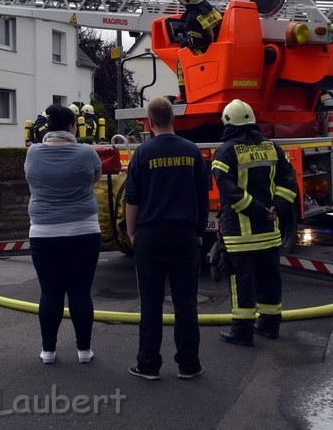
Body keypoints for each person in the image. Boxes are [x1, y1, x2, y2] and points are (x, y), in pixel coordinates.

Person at [124, 97, 210, 380]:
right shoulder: (192, 152)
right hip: (185, 236)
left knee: (151, 303)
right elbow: (201, 197)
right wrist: (198, 233)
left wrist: (131, 232)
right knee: (186, 303)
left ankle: (148, 365)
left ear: (150, 122)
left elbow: (132, 199)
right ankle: (189, 365)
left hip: (150, 235)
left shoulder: (142, 153)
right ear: (174, 119)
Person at [212, 99, 298, 346]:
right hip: (270, 231)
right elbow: (289, 182)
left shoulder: (226, 151)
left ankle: (242, 331)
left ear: (228, 122)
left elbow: (229, 191)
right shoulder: (273, 148)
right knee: (269, 277)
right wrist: (276, 209)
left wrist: (259, 211)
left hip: (240, 233)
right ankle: (270, 326)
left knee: (242, 281)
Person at [25, 104, 103, 365]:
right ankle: (84, 351)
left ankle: (48, 351)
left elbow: (31, 180)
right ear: (72, 127)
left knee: (50, 293)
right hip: (83, 230)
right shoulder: (85, 152)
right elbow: (95, 176)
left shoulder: (33, 154)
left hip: (44, 232)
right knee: (81, 292)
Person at [175, 0, 223, 103]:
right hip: (217, 46)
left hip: (206, 50)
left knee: (181, 59)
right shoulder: (213, 10)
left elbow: (199, 41)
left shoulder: (192, 18)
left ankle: (185, 96)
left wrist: (185, 41)